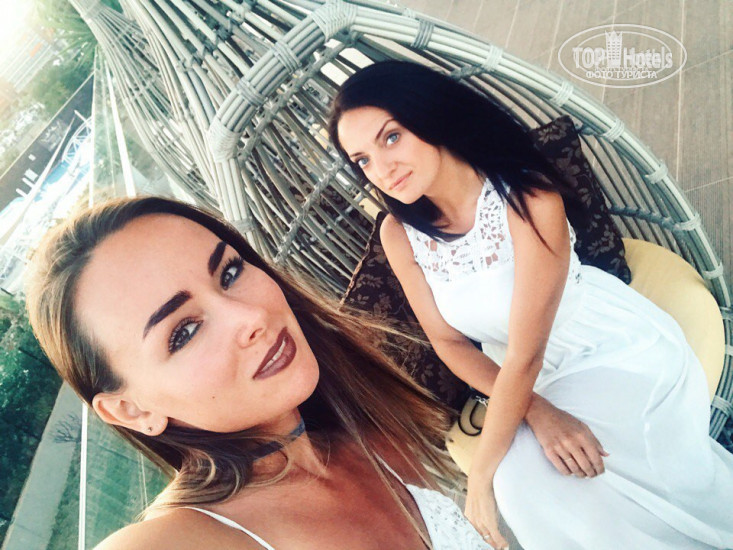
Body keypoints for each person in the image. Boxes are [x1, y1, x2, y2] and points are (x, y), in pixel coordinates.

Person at [329, 60, 733, 550]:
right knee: (523, 484)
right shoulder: (399, 233)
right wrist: (538, 412)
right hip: (522, 381)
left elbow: (527, 352)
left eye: (391, 137)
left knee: (571, 479)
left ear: (430, 116)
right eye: (362, 160)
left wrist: (479, 479)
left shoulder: (528, 197)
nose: (382, 169)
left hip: (604, 349)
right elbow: (449, 343)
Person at [25, 196, 497, 550]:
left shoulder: (363, 429)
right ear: (131, 410)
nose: (250, 316)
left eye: (229, 273)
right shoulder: (185, 539)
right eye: (184, 332)